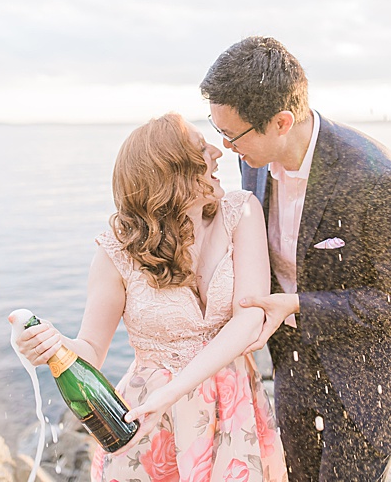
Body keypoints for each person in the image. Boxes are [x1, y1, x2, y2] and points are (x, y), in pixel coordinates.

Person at [203, 36, 391, 481]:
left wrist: (299, 306)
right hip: (292, 372)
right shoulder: (253, 161)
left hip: (365, 386)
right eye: (219, 132)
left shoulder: (377, 177)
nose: (226, 146)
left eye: (231, 134)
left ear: (282, 121)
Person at [15, 113, 288, 481]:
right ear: (170, 174)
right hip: (152, 418)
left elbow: (251, 317)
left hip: (232, 405)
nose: (217, 153)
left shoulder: (241, 211)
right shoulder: (116, 253)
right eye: (200, 149)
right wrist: (52, 344)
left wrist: (172, 392)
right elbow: (92, 350)